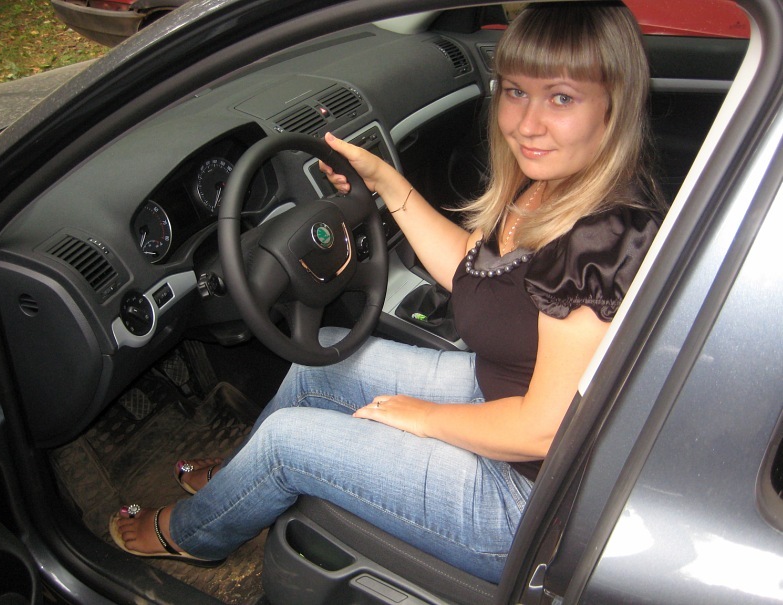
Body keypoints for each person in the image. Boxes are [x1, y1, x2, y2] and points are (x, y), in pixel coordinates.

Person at [110, 1, 664, 584]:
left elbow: (542, 431)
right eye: (516, 91)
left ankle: (195, 535)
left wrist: (425, 417)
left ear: (615, 105)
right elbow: (474, 272)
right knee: (320, 361)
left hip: (527, 505)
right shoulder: (548, 186)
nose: (527, 124)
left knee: (285, 443)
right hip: (503, 392)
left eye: (562, 98)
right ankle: (237, 486)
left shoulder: (603, 240)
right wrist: (385, 183)